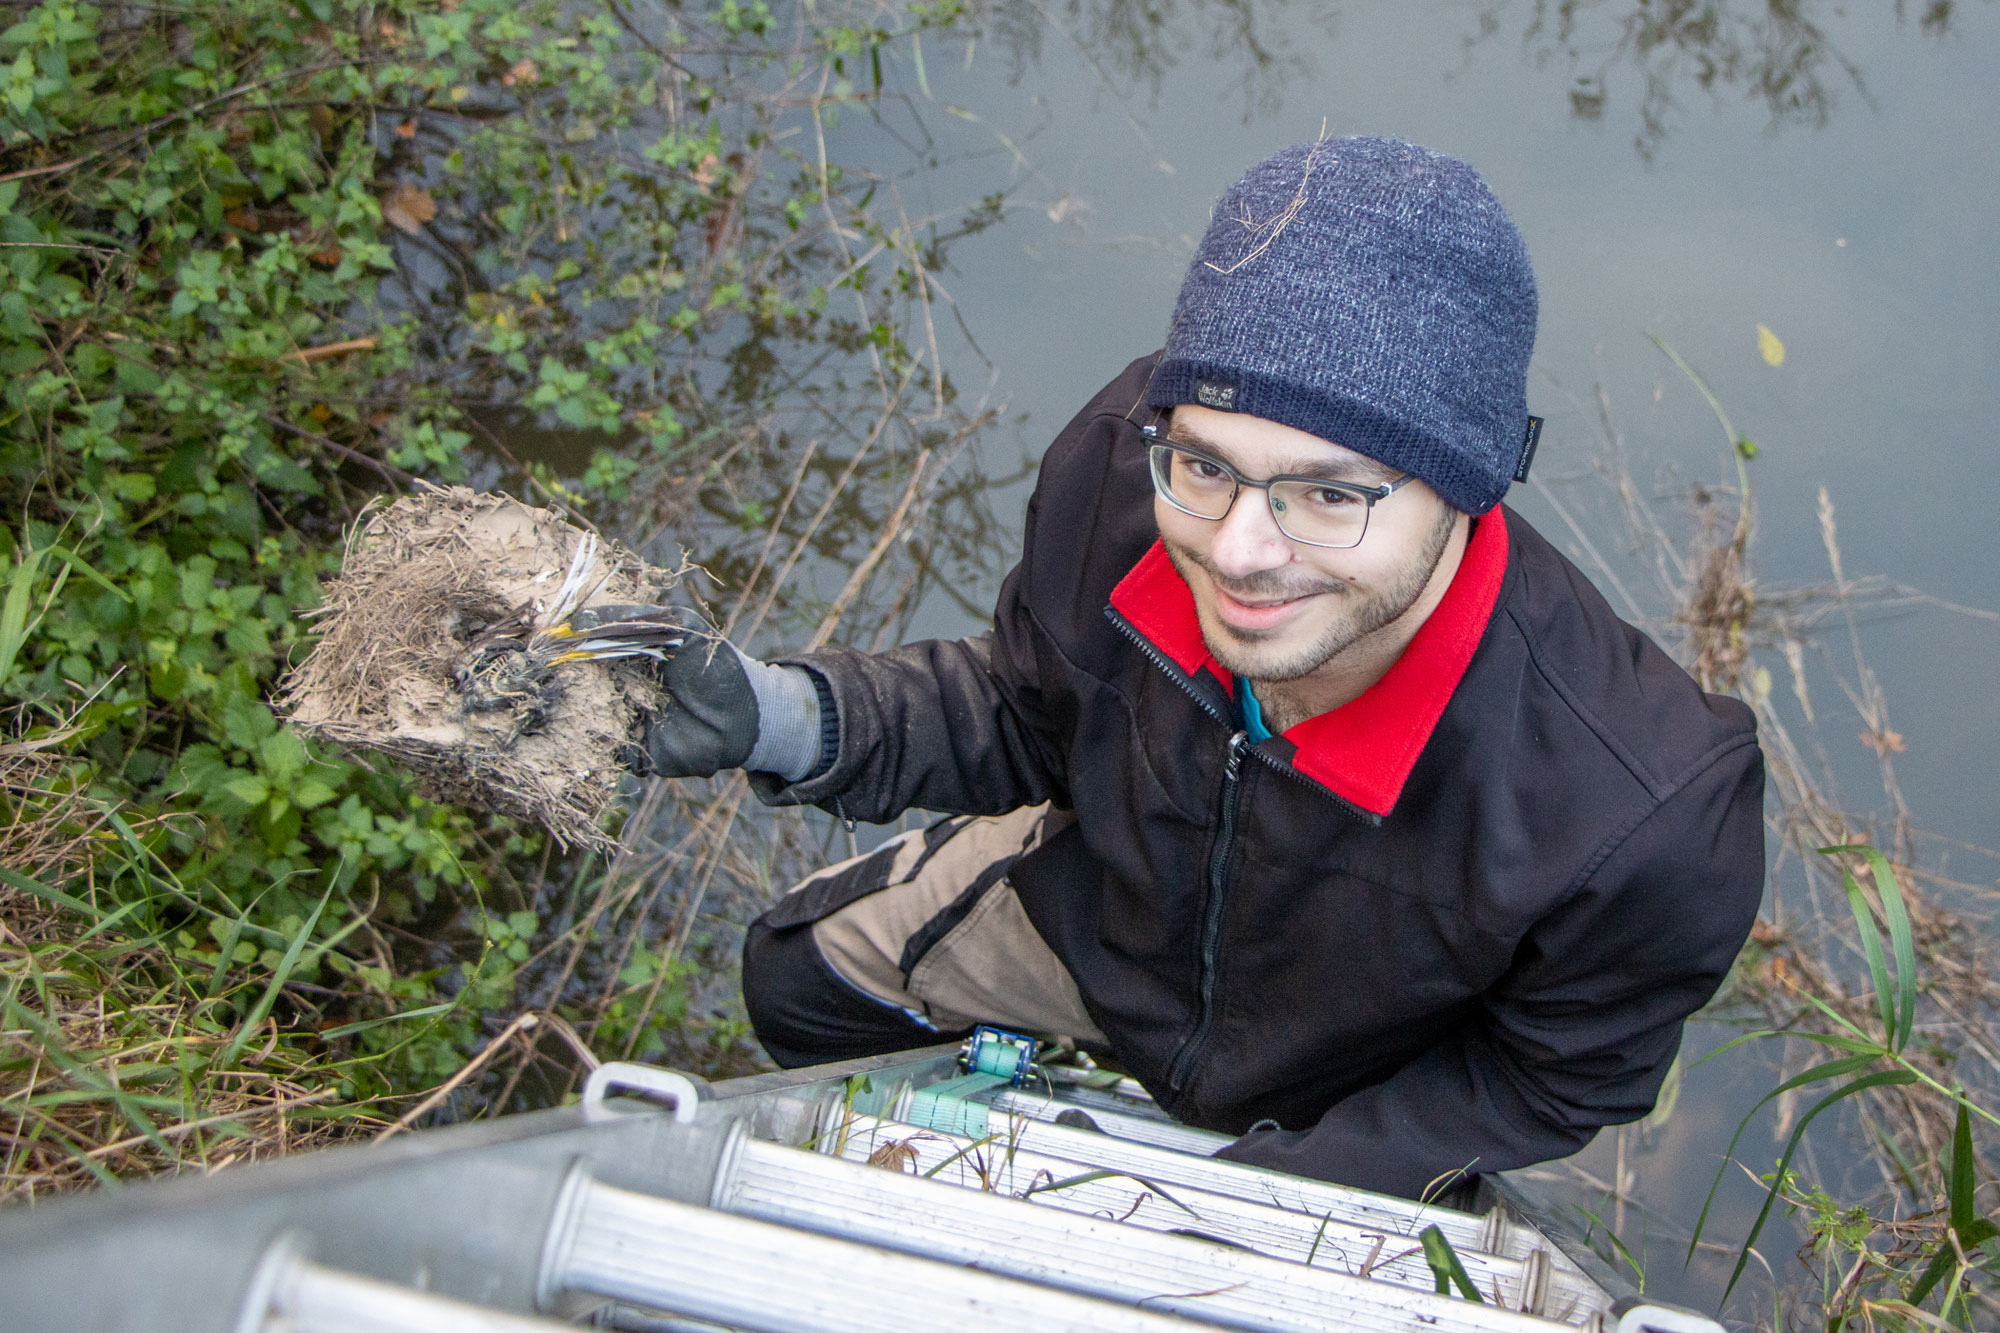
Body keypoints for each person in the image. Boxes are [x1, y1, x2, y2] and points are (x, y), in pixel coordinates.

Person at [637, 135, 1767, 1201]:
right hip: (1108, 938)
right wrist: (778, 716)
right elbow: (1029, 706)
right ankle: (1028, 1062)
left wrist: (1249, 1197)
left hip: (1345, 1077)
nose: (1235, 551)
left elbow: (1550, 1074)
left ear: (1468, 486)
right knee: (798, 982)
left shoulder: (1643, 812)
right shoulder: (1123, 475)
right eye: (1206, 465)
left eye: (1327, 493)